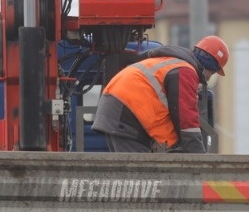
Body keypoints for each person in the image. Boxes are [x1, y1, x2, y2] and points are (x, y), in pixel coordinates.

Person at [91, 35, 229, 153]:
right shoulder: (185, 71)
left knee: (134, 179)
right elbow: (186, 119)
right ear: (211, 66)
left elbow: (169, 112)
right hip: (126, 115)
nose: (207, 79)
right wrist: (199, 159)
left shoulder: (171, 62)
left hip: (118, 110)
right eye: (212, 74)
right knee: (143, 181)